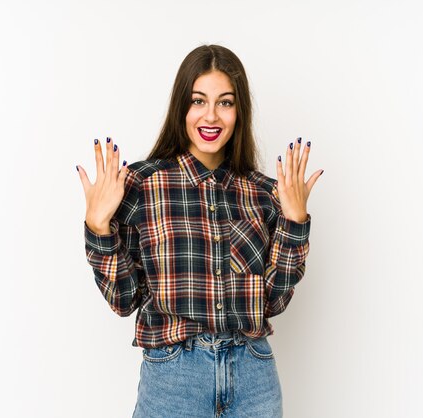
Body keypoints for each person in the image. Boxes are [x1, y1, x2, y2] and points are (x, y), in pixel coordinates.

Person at [76, 44, 323, 418]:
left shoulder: (264, 193)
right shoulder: (142, 185)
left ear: (240, 111)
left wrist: (294, 223)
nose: (211, 115)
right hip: (174, 379)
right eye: (198, 101)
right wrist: (98, 227)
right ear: (182, 107)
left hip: (253, 374)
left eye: (225, 102)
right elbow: (124, 301)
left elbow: (273, 302)